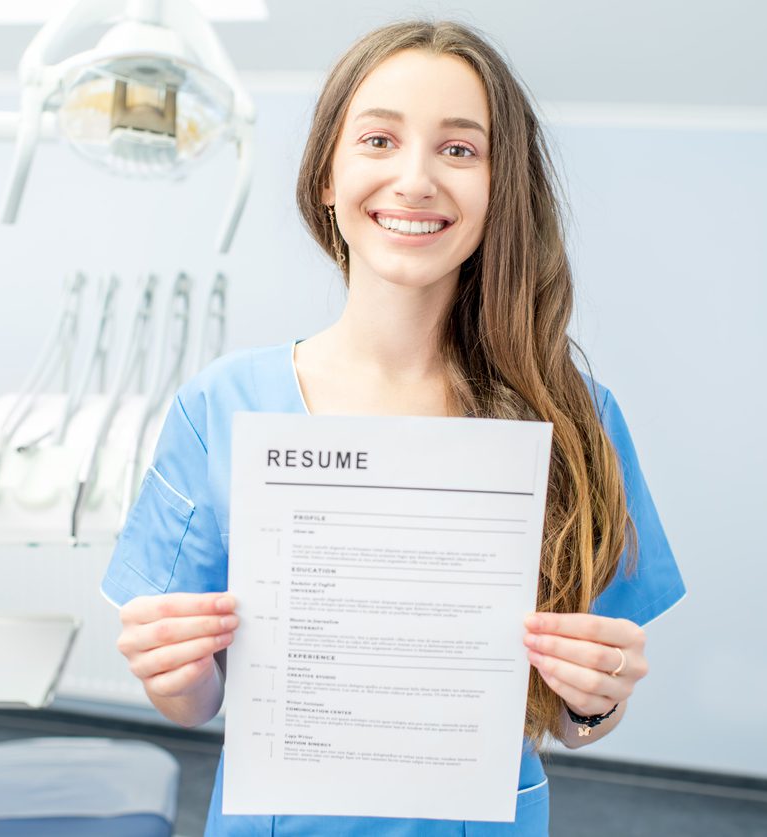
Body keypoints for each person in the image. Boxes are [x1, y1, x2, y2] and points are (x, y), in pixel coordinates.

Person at [102, 19, 686, 836]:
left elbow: (570, 719)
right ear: (326, 180)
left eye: (459, 150)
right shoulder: (224, 405)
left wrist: (597, 696)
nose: (415, 180)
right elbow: (194, 701)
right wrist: (171, 669)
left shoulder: (573, 419)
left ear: (499, 188)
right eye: (379, 139)